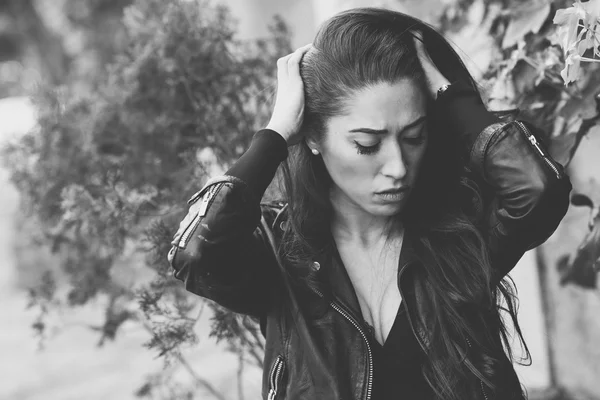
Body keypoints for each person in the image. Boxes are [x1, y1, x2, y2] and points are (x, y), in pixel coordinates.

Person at [168, 7, 572, 400]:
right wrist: (273, 135)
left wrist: (454, 100)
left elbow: (539, 191)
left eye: (414, 137)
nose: (397, 167)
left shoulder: (461, 231)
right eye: (367, 144)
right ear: (312, 137)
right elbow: (196, 253)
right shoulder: (281, 253)